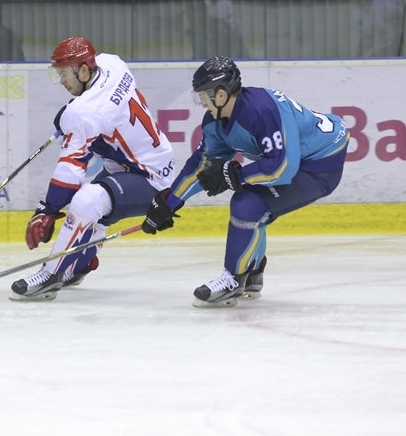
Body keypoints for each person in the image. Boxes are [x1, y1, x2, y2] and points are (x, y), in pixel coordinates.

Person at [141, 56, 350, 308]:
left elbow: (282, 167)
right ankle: (251, 273)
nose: (201, 103)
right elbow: (202, 165)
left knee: (248, 203)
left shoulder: (262, 110)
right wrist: (170, 202)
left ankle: (233, 279)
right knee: (251, 203)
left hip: (321, 163)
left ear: (220, 94)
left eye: (203, 96)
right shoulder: (215, 121)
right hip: (301, 159)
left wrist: (235, 177)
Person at [11, 36, 175, 301]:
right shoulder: (112, 63)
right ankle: (80, 265)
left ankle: (51, 275)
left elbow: (71, 168)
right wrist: (70, 118)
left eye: (65, 74)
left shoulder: (83, 113)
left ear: (85, 70)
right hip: (143, 162)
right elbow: (103, 106)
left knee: (87, 201)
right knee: (95, 210)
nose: (61, 81)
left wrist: (48, 210)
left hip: (149, 177)